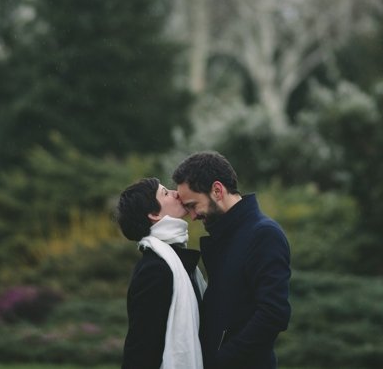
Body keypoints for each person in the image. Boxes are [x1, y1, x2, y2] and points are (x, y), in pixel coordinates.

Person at [173, 151, 291, 369]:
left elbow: (274, 313)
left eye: (192, 205)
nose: (192, 216)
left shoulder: (263, 234)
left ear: (217, 190)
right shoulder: (227, 235)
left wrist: (223, 359)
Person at [115, 177, 206, 369]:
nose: (175, 193)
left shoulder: (175, 258)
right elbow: (142, 344)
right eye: (165, 193)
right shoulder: (155, 268)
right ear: (154, 214)